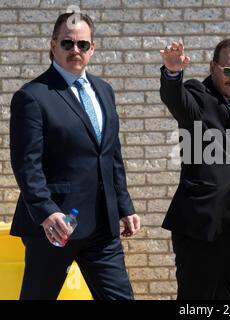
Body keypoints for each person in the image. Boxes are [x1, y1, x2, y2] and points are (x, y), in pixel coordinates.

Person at [9, 12, 140, 300]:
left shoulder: (104, 91)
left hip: (102, 226)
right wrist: (47, 212)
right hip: (55, 227)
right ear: (53, 45)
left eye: (82, 44)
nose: (75, 50)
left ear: (92, 48)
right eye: (67, 43)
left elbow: (111, 154)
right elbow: (26, 165)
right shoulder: (32, 96)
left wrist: (124, 205)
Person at [159, 38, 230, 299]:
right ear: (213, 67)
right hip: (204, 231)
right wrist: (173, 73)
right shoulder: (199, 96)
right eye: (228, 70)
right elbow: (176, 100)